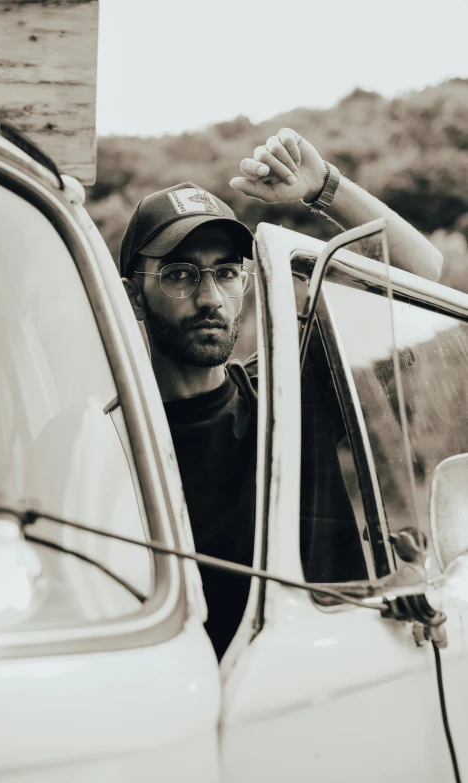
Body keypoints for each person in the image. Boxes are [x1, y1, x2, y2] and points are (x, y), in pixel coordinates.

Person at [120, 128, 443, 660]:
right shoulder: (113, 443)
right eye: (181, 275)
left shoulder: (290, 397)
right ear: (134, 293)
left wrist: (325, 188)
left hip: (321, 687)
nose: (211, 298)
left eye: (227, 274)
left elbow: (419, 274)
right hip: (185, 708)